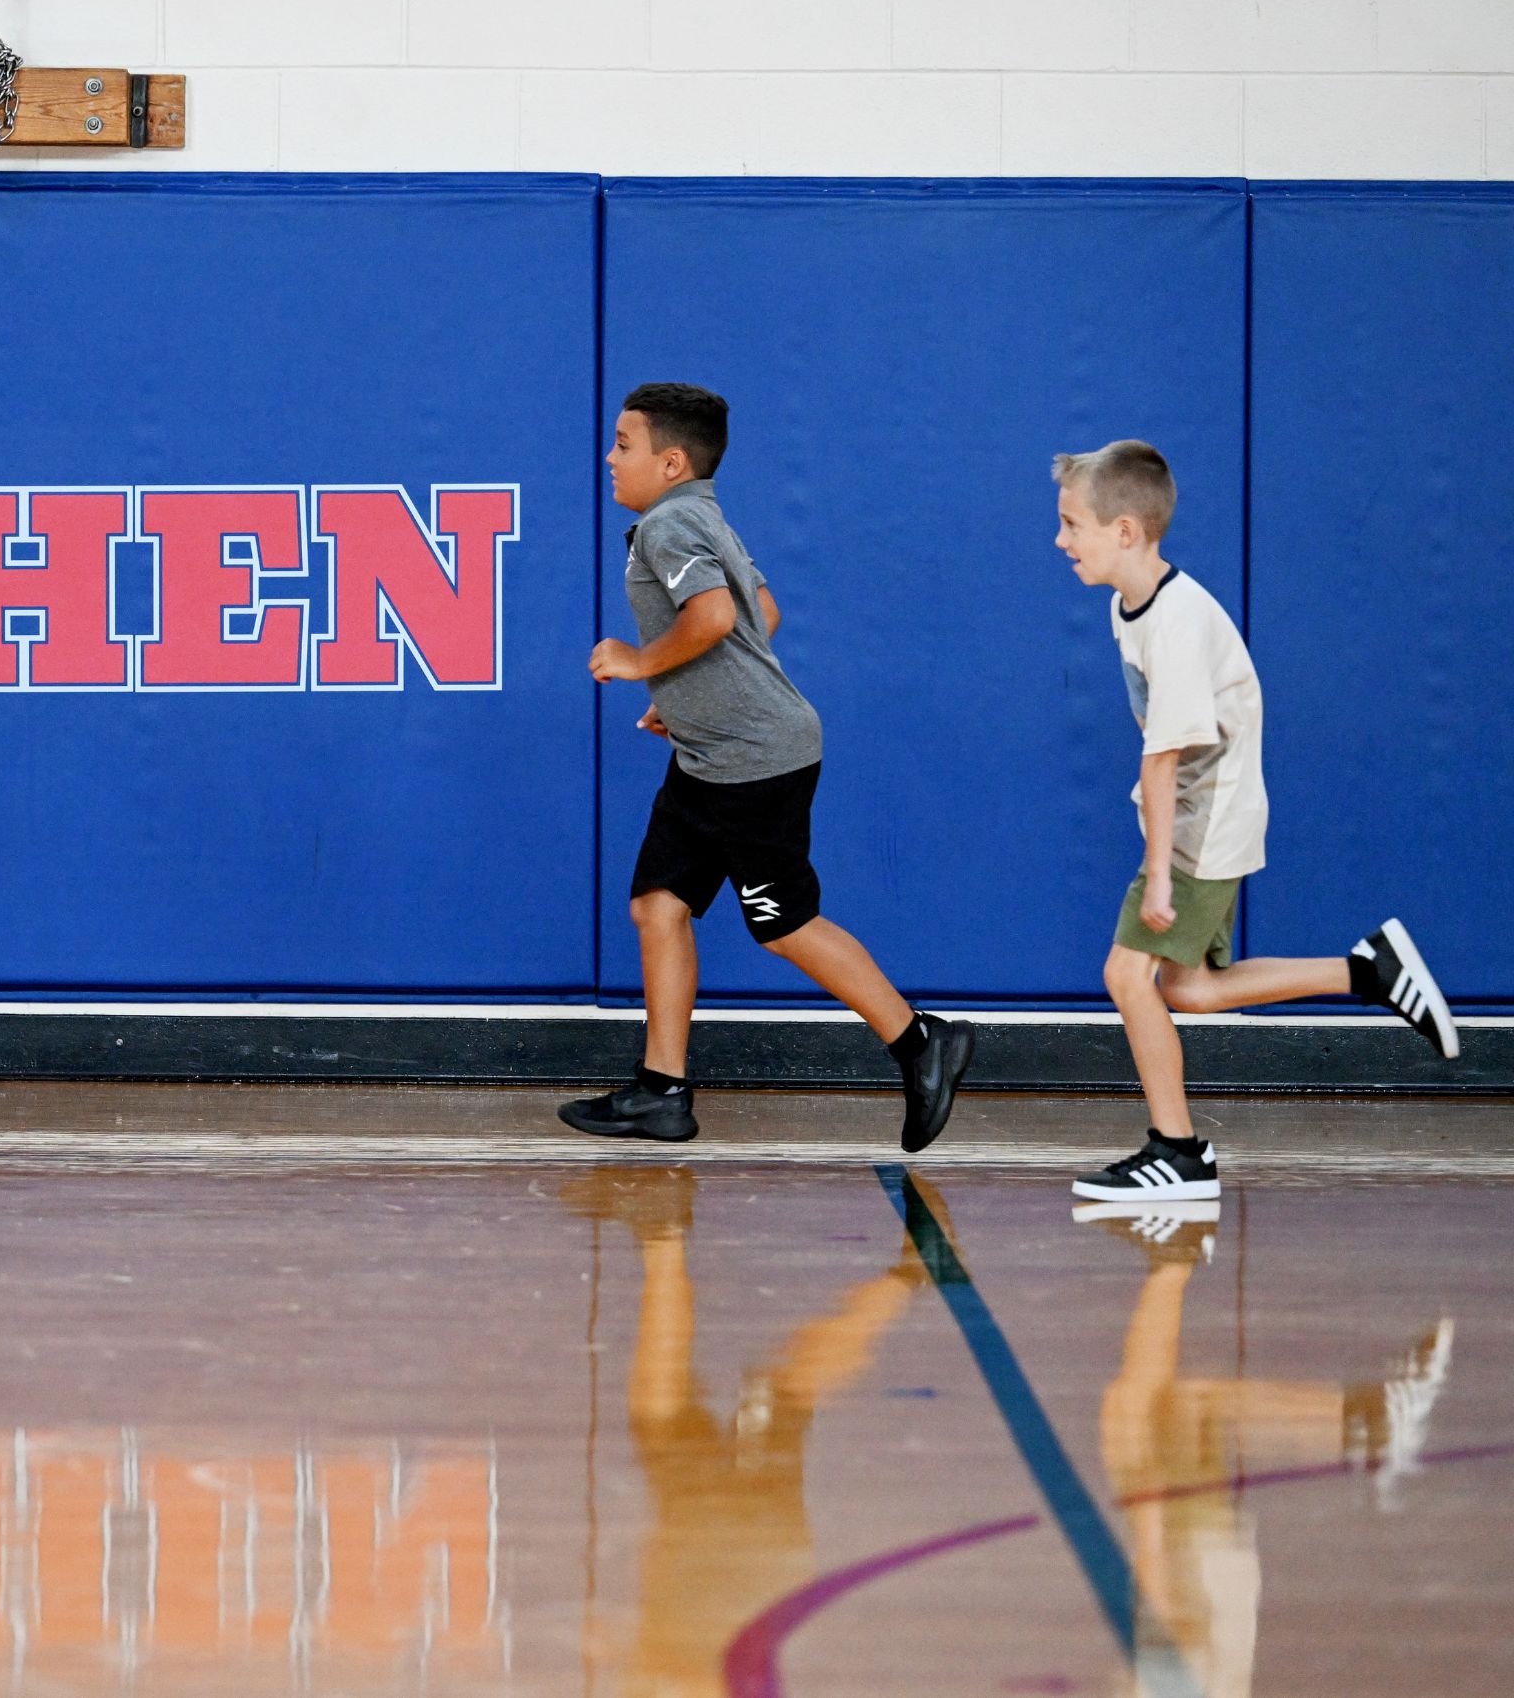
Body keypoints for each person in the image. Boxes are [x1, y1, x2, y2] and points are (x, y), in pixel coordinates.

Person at [564, 382, 976, 1151]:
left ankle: (922, 1042)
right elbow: (764, 610)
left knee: (783, 924)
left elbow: (719, 616)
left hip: (754, 763)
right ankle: (662, 1092)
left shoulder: (670, 526)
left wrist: (641, 662)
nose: (610, 458)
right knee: (659, 904)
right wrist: (683, 696)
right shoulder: (698, 514)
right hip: (709, 755)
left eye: (625, 444)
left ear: (673, 461)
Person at [1054, 441, 1457, 1203]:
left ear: (1128, 530)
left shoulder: (1175, 623)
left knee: (1126, 973)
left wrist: (1160, 879)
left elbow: (1163, 760)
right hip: (1201, 816)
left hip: (1203, 825)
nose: (1061, 540)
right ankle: (1369, 971)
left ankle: (1178, 1152)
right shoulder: (1126, 605)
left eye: (1074, 525)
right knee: (1193, 989)